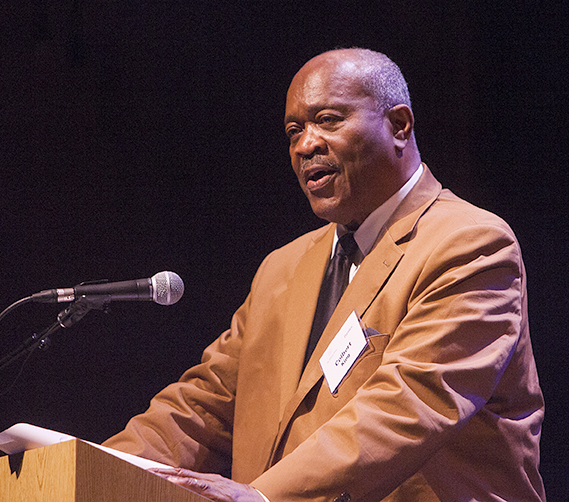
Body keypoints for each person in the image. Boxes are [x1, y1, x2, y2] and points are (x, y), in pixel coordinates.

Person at [103, 48, 546, 502]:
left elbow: (411, 402)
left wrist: (263, 497)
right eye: (294, 130)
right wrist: (93, 470)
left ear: (399, 126)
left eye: (328, 120)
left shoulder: (468, 243)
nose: (305, 144)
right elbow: (203, 404)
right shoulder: (283, 267)